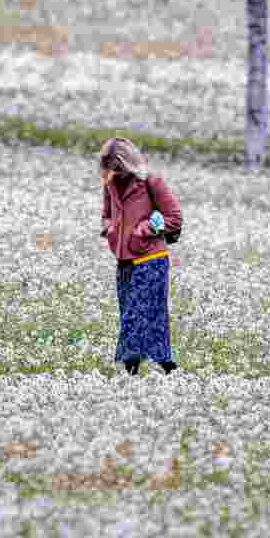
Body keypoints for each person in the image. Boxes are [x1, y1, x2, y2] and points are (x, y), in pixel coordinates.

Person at [99, 137, 182, 376]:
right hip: (124, 260)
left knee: (137, 313)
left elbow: (174, 217)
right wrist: (110, 229)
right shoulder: (110, 183)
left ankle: (129, 367)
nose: (115, 173)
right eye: (111, 168)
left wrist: (145, 229)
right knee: (137, 312)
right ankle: (167, 365)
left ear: (129, 163)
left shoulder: (151, 182)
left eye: (118, 168)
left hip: (150, 258)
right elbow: (106, 214)